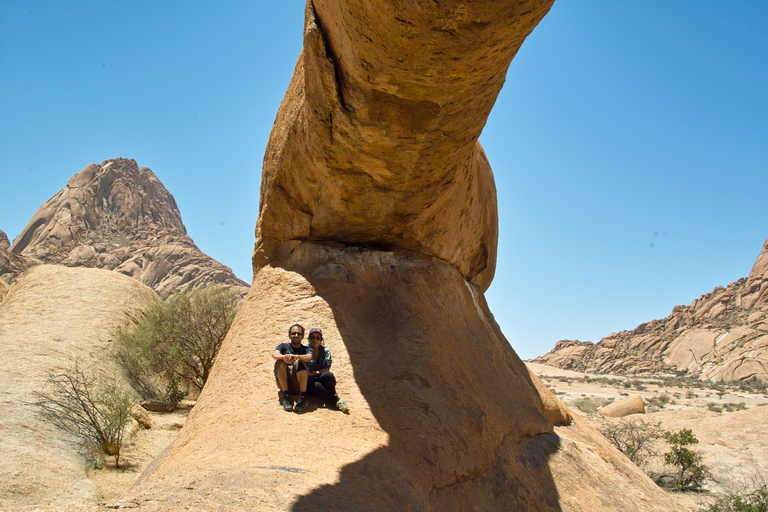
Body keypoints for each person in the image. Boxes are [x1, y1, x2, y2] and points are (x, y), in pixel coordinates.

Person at [272, 324, 313, 412]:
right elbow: (274, 354)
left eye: (299, 334)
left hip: (299, 383)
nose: (296, 336)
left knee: (302, 361)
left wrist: (296, 357)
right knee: (279, 362)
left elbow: (309, 357)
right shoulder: (283, 346)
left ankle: (302, 397)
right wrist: (284, 357)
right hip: (286, 382)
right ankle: (286, 396)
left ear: (302, 335)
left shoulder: (306, 348)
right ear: (289, 335)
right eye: (293, 333)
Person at [306, 328, 348, 412]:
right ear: (309, 339)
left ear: (321, 340)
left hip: (319, 375)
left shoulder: (325, 351)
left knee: (328, 375)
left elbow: (326, 368)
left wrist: (315, 373)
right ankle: (336, 400)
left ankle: (332, 395)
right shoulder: (304, 350)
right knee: (316, 386)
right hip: (309, 381)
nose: (315, 340)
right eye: (312, 337)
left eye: (318, 338)